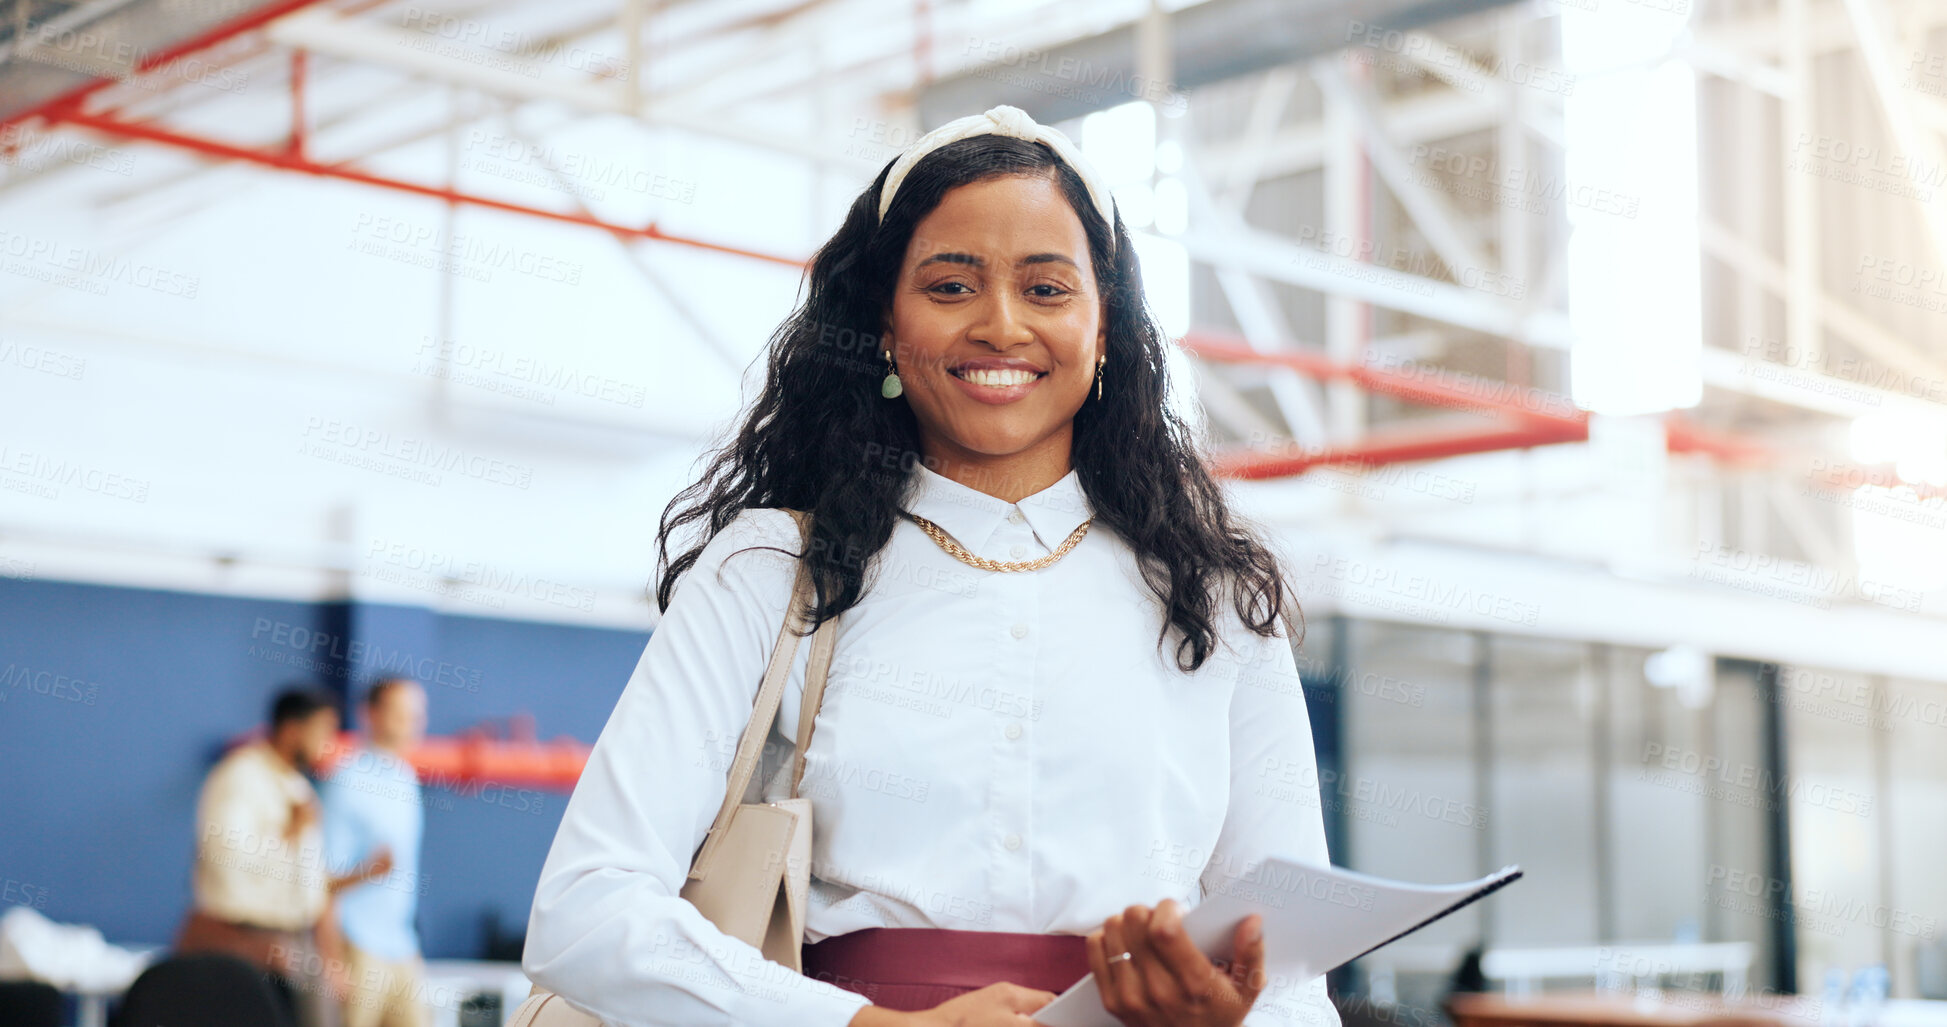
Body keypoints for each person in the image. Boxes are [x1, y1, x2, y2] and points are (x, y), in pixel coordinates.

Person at [523, 104, 1338, 1027]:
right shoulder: (770, 569)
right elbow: (583, 910)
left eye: (1046, 289)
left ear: (1105, 328)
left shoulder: (1217, 601)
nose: (999, 326)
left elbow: (1293, 980)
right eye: (950, 287)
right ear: (881, 323)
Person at [178, 686, 376, 1027]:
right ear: (291, 729)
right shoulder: (240, 776)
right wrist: (289, 832)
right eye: (322, 731)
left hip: (294, 938)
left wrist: (331, 954)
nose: (327, 743)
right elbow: (228, 861)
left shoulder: (296, 786)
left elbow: (310, 883)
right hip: (244, 938)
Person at [321, 677, 431, 1027]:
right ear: (371, 714)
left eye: (417, 714)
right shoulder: (346, 781)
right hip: (358, 945)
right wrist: (332, 960)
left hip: (402, 946)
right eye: (402, 713)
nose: (413, 723)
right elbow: (320, 881)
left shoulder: (406, 778)